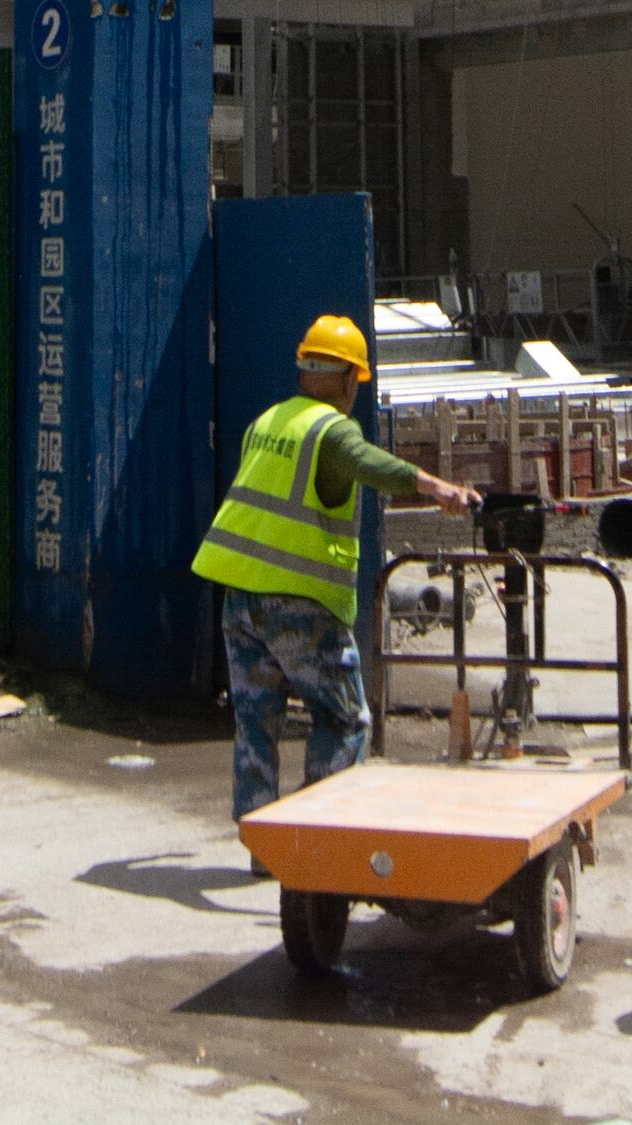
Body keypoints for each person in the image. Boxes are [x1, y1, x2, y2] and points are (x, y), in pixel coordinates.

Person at [188, 310, 477, 825]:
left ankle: (262, 841)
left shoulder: (268, 422)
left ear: (304, 367)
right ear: (348, 377)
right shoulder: (332, 431)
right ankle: (319, 837)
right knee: (344, 719)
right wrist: (440, 489)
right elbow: (372, 465)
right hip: (301, 604)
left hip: (241, 602)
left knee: (256, 721)